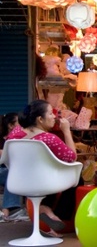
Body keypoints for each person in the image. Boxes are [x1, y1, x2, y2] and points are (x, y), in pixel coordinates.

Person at [6, 100, 79, 237]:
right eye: (51, 113)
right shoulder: (49, 138)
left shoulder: (14, 135)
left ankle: (45, 209)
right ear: (40, 119)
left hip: (18, 182)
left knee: (46, 175)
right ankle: (56, 216)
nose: (54, 117)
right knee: (75, 175)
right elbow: (72, 157)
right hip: (44, 183)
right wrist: (66, 131)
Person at [0, 113, 28, 222]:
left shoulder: (22, 139)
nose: (22, 126)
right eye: (19, 123)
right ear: (10, 126)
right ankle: (11, 210)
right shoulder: (3, 140)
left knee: (13, 173)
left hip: (11, 171)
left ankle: (7, 210)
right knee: (11, 173)